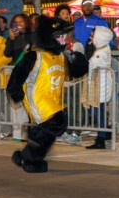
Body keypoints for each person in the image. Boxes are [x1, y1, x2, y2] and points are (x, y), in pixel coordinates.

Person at [8, 16, 88, 173]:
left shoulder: (61, 56)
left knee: (49, 136)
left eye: (66, 35)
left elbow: (76, 73)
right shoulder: (35, 55)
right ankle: (28, 149)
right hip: (37, 99)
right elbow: (18, 74)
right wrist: (15, 90)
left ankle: (32, 160)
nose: (65, 39)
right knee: (57, 122)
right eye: (61, 35)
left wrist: (80, 62)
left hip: (54, 100)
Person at [81, 26, 114, 149]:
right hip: (99, 83)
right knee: (97, 110)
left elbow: (90, 65)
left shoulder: (100, 52)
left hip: (100, 84)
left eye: (93, 35)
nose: (91, 37)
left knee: (97, 110)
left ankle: (101, 137)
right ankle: (105, 132)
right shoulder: (102, 48)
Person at [4, 14, 32, 141]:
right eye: (16, 22)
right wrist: (11, 39)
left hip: (30, 72)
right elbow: (7, 53)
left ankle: (30, 131)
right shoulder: (12, 38)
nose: (19, 24)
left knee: (29, 102)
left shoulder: (31, 35)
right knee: (17, 103)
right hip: (17, 72)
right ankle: (18, 133)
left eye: (21, 21)